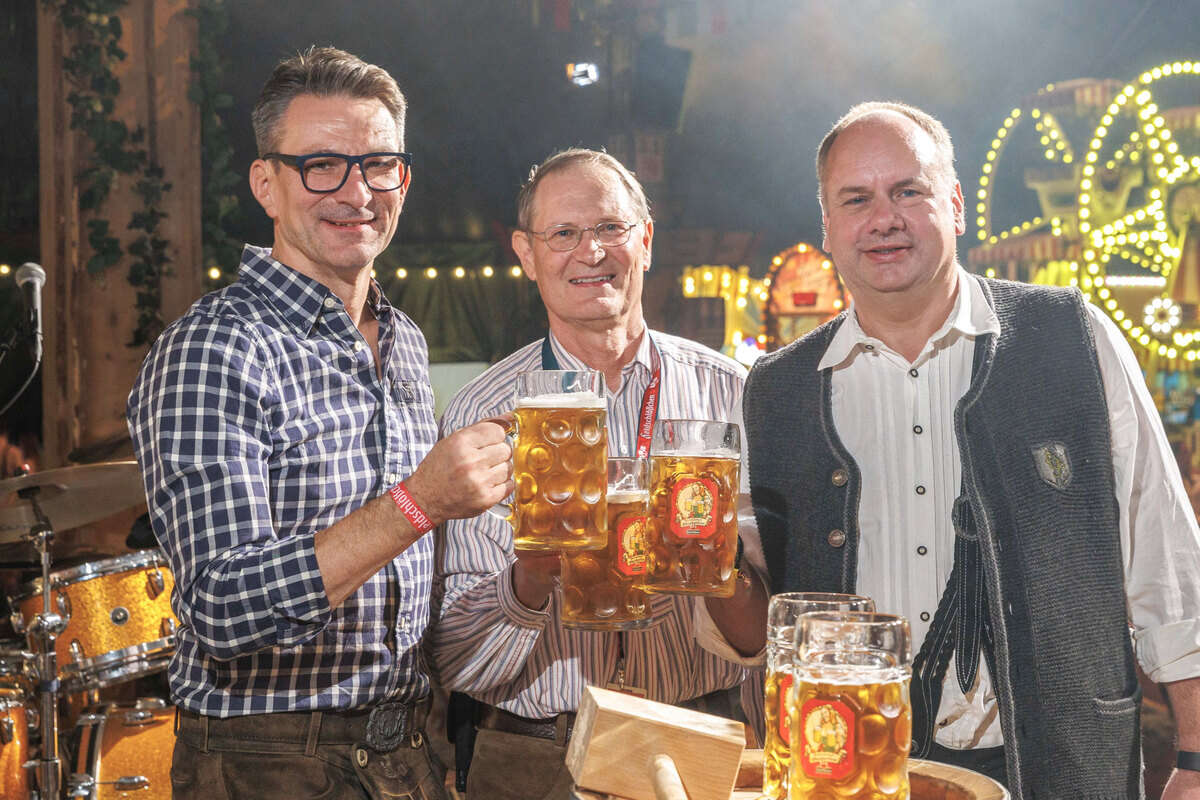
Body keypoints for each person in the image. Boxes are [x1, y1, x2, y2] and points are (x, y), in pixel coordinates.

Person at [714, 101, 1200, 799]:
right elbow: (753, 617)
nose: (884, 218)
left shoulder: (1071, 336)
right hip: (852, 770)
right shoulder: (773, 389)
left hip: (1057, 766)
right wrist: (705, 568)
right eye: (856, 200)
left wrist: (1195, 756)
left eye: (908, 191)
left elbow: (1166, 554)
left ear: (956, 204)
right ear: (828, 226)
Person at [126, 47, 512, 800]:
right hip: (270, 762)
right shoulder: (216, 347)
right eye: (322, 166)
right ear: (267, 183)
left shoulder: (402, 339)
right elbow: (220, 609)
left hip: (410, 751)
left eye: (378, 164)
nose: (356, 191)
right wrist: (420, 502)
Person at [431, 148, 768, 799]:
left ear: (644, 240)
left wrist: (716, 565)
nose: (590, 252)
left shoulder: (734, 394)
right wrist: (530, 576)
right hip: (531, 755)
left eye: (610, 228)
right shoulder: (482, 410)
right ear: (527, 254)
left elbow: (761, 635)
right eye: (563, 234)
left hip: (698, 733)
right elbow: (452, 654)